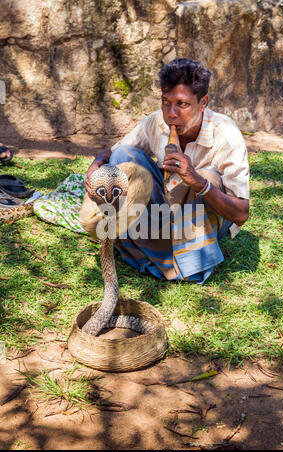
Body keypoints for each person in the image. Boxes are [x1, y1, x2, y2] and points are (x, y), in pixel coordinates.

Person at [83, 58, 250, 284]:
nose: (171, 113)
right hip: (166, 209)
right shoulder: (155, 122)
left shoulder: (227, 135)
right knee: (123, 156)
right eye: (165, 102)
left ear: (203, 103)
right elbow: (113, 152)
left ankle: (182, 260)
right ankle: (163, 247)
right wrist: (96, 164)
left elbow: (241, 213)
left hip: (207, 216)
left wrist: (198, 181)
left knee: (209, 176)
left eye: (182, 104)